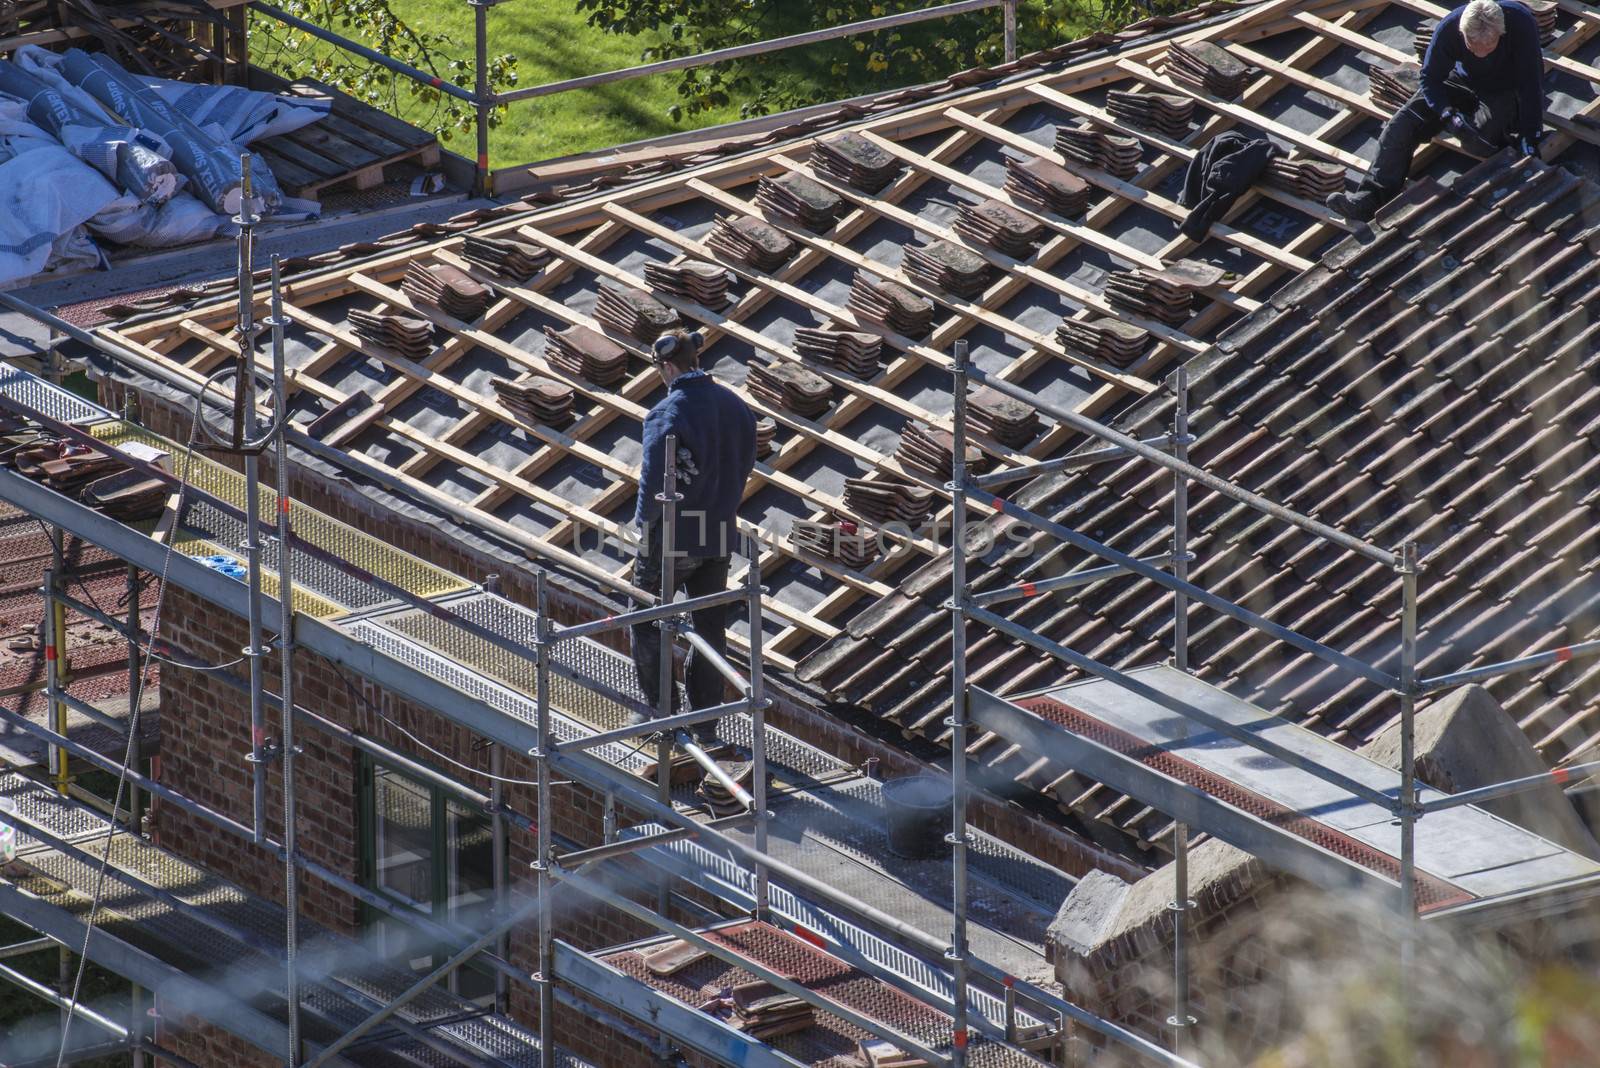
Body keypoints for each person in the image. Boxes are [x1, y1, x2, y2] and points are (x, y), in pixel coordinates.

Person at [630, 327, 757, 740]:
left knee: (647, 621)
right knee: (709, 629)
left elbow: (652, 491)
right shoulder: (737, 407)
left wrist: (643, 530)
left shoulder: (667, 414)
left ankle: (661, 717)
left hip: (674, 538)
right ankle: (704, 725)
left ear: (667, 367)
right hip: (718, 533)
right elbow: (744, 466)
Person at [1329, 0, 1545, 222]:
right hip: (1462, 80)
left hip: (1505, 88)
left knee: (1480, 140)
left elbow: (1531, 84)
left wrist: (1531, 135)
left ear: (1501, 32)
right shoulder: (1449, 28)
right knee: (1400, 126)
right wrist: (1446, 113)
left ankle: (1500, 141)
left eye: (1488, 46)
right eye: (1473, 46)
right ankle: (1370, 197)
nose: (1481, 52)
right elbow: (1430, 79)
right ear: (1463, 33)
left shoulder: (1520, 24)